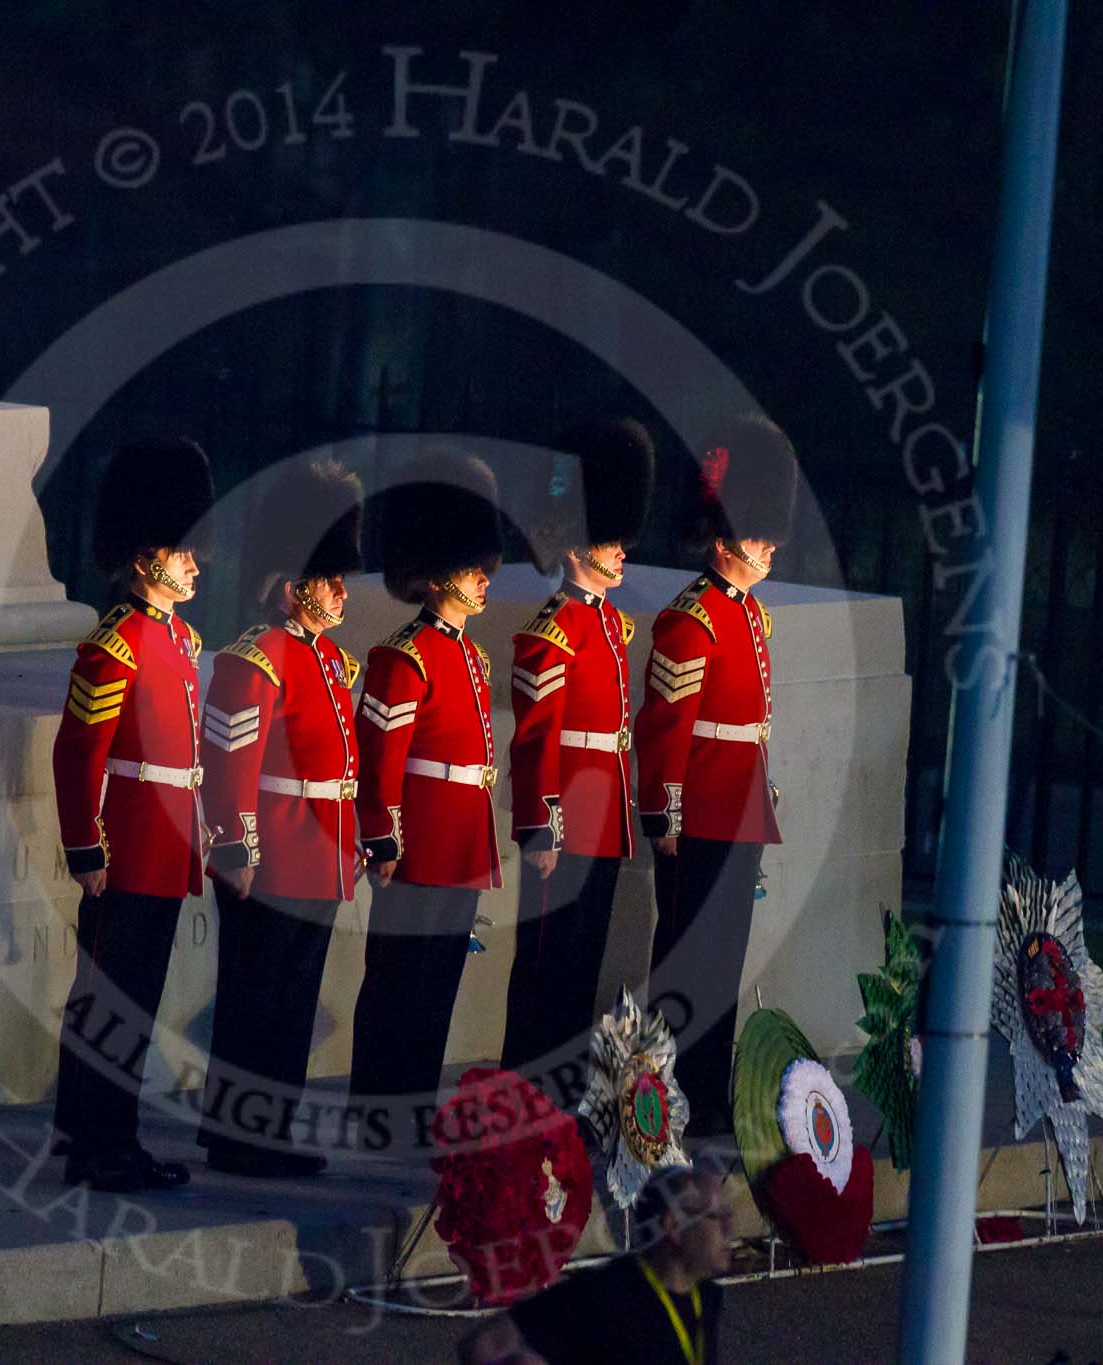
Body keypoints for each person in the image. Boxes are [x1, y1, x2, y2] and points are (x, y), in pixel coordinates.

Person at [51, 435, 214, 1193]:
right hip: (125, 849)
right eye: (183, 552)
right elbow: (78, 753)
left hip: (163, 844)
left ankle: (98, 1132)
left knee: (132, 1001)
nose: (195, 563)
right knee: (110, 999)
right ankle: (100, 1137)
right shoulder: (115, 644)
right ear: (148, 556)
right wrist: (86, 845)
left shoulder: (180, 640)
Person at [196, 458, 366, 1178]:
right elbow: (229, 760)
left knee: (292, 1004)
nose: (341, 590)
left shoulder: (330, 663)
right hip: (269, 862)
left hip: (318, 856)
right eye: (330, 578)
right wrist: (235, 848)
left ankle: (270, 1129)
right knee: (254, 998)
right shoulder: (257, 658)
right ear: (295, 587)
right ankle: (239, 1133)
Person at [633, 416, 798, 1134]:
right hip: (696, 813)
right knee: (688, 955)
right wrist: (663, 811)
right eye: (759, 530)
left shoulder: (748, 616)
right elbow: (664, 729)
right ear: (726, 533)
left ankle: (705, 1087)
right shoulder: (689, 619)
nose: (769, 544)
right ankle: (669, 1089)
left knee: (724, 960)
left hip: (738, 809)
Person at [349, 451, 506, 1117]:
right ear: (436, 571)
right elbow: (379, 760)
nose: (482, 577)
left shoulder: (471, 656)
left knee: (438, 980)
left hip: (462, 841)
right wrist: (382, 840)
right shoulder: (401, 656)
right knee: (397, 981)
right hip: (417, 848)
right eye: (470, 565)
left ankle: (412, 1101)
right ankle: (378, 1103)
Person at [501, 417, 655, 1083]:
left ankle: (561, 1076)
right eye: (607, 539)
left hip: (601, 815)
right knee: (546, 960)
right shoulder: (552, 632)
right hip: (564, 820)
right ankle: (527, 1076)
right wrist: (542, 826)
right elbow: (536, 742)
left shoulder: (608, 626)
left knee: (582, 958)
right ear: (574, 548)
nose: (621, 550)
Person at [457, 1163, 733, 1365]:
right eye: (716, 1217)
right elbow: (483, 1345)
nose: (729, 1229)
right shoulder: (605, 1294)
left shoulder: (707, 1295)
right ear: (673, 1226)